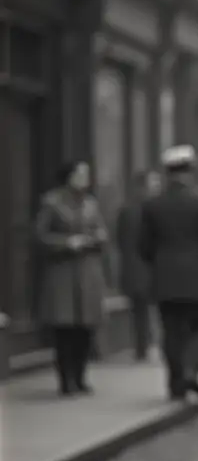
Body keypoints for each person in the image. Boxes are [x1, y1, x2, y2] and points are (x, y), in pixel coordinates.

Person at [139, 145, 198, 401]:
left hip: (164, 277)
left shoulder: (152, 204)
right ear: (190, 171)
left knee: (171, 330)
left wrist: (160, 262)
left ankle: (176, 382)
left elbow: (143, 246)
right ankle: (190, 370)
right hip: (196, 276)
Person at [34, 160, 109, 395]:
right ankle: (66, 379)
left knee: (85, 329)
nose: (86, 178)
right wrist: (67, 243)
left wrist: (97, 237)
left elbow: (102, 231)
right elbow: (39, 236)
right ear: (70, 176)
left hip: (87, 272)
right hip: (63, 274)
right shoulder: (52, 202)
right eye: (81, 173)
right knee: (65, 329)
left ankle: (80, 376)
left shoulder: (91, 203)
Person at [115, 169, 160, 360]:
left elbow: (119, 239)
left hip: (135, 266)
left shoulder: (126, 209)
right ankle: (146, 344)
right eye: (154, 183)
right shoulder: (150, 208)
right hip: (147, 266)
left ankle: (143, 345)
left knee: (139, 310)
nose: (157, 187)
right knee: (145, 308)